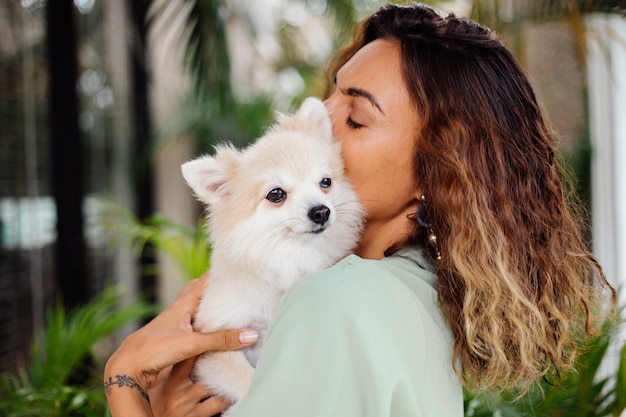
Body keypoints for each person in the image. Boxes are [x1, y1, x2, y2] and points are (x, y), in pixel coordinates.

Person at [104, 3, 615, 416]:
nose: (323, 119)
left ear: (437, 170)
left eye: (356, 116)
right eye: (332, 96)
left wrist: (125, 384)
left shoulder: (338, 297)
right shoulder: (425, 291)